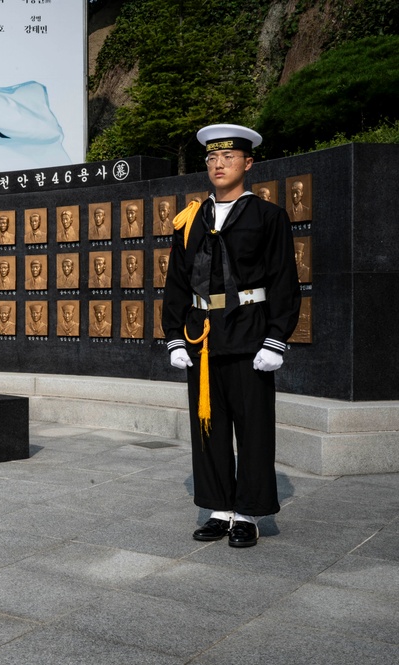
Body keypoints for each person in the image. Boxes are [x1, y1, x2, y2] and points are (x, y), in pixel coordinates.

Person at [163, 124, 300, 548]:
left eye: (227, 158)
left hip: (250, 334)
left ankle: (248, 514)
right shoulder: (192, 218)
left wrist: (277, 338)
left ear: (248, 163)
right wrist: (174, 337)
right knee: (209, 426)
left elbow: (283, 280)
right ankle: (219, 508)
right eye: (211, 158)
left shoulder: (267, 216)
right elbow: (177, 282)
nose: (218, 165)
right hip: (203, 335)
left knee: (254, 428)